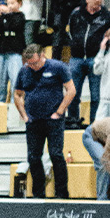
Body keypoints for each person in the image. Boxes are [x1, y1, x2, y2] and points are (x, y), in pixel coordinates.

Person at [14, 44, 75, 198]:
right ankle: (38, 194)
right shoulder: (24, 71)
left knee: (56, 154)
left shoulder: (57, 67)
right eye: (29, 64)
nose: (32, 66)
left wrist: (59, 111)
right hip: (33, 120)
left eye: (35, 63)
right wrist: (24, 115)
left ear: (42, 56)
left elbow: (71, 90)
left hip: (53, 119)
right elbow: (17, 94)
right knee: (33, 157)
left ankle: (62, 193)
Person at [65, 0, 110, 127]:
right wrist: (75, 45)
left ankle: (95, 123)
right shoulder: (76, 14)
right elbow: (70, 31)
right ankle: (73, 121)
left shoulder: (107, 17)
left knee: (96, 95)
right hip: (76, 58)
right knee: (73, 93)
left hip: (96, 59)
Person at [0, 0, 27, 104]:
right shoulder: (4, 16)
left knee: (15, 79)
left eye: (12, 3)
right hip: (3, 51)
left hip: (15, 51)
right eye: (8, 3)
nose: (10, 6)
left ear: (19, 4)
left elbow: (15, 25)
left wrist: (8, 14)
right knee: (0, 81)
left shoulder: (20, 16)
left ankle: (15, 103)